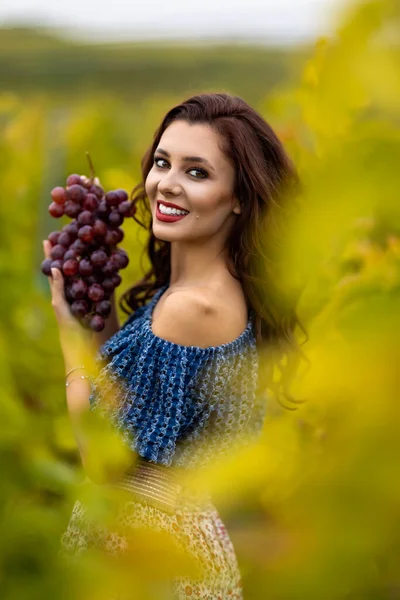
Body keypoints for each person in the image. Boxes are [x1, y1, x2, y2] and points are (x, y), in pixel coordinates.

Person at [43, 92, 305, 599]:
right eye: (163, 162)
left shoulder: (195, 308)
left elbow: (102, 459)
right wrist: (95, 315)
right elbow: (125, 395)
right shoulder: (190, 294)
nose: (168, 183)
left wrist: (69, 340)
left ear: (240, 198)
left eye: (197, 172)